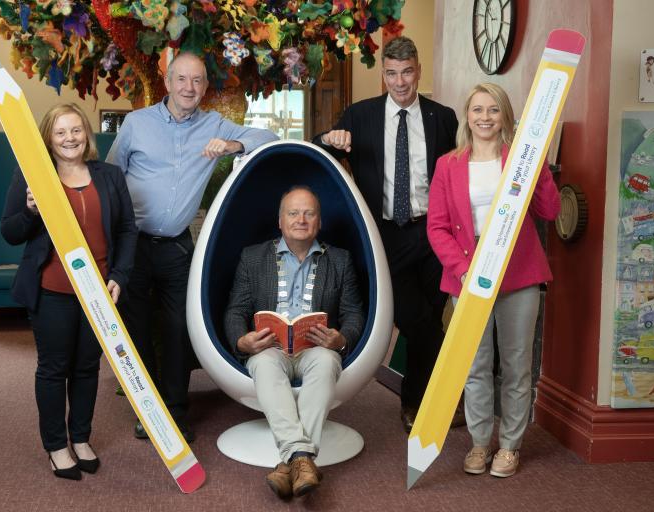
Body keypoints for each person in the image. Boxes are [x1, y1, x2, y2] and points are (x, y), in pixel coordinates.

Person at [107, 52, 278, 442]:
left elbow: (267, 137)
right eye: (182, 80)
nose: (189, 88)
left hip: (178, 248)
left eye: (197, 81)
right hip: (132, 243)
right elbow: (111, 178)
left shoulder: (213, 124)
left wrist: (232, 144)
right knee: (135, 328)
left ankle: (174, 410)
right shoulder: (137, 123)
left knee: (178, 329)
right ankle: (147, 409)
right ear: (167, 83)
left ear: (204, 86)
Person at [313, 36, 459, 432]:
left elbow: (453, 176)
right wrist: (330, 140)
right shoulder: (360, 116)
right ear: (383, 74)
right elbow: (318, 153)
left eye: (407, 72)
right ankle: (423, 403)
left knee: (428, 315)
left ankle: (419, 403)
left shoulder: (442, 117)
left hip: (432, 233)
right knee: (418, 319)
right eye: (392, 73)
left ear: (418, 71)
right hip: (384, 236)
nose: (400, 82)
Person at [426, 83, 560, 478]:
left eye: (493, 110)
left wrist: (539, 163)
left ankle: (511, 446)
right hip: (467, 276)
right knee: (475, 365)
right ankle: (481, 443)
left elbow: (550, 210)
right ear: (466, 115)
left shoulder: (519, 159)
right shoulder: (447, 165)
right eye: (477, 110)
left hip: (519, 274)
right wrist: (463, 270)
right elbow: (436, 228)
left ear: (505, 116)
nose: (485, 117)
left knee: (517, 366)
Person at [0, 103, 138, 480]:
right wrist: (30, 210)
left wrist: (121, 275)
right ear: (48, 137)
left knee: (87, 367)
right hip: (52, 291)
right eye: (60, 132)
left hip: (98, 292)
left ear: (87, 135)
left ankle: (80, 438)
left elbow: (127, 229)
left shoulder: (109, 176)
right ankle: (56, 445)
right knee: (53, 368)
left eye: (76, 130)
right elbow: (10, 233)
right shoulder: (32, 176)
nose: (69, 138)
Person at [224, 186, 364, 499]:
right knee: (263, 364)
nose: (301, 219)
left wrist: (341, 338)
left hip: (315, 349)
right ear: (280, 220)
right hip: (270, 349)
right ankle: (303, 459)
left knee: (328, 360)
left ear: (319, 221)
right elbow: (235, 310)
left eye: (309, 213)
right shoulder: (253, 257)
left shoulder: (340, 260)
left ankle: (291, 461)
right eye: (293, 213)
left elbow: (354, 314)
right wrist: (242, 340)